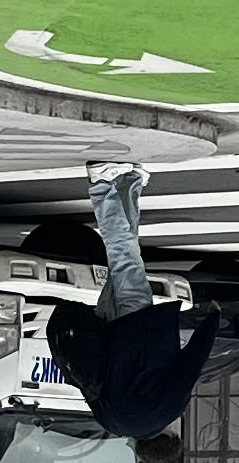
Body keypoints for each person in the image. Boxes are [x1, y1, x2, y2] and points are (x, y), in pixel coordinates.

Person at [43, 165, 224, 442]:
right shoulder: (112, 423)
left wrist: (211, 321)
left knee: (123, 256)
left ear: (172, 437)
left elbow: (191, 365)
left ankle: (101, 185)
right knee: (125, 257)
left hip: (139, 326)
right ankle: (129, 184)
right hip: (105, 327)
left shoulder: (166, 412)